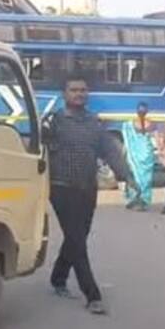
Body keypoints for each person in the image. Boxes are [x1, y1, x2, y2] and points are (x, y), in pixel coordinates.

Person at [42, 75, 137, 315]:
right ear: (64, 94)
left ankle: (58, 277)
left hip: (87, 188)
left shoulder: (95, 123)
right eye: (74, 90)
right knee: (76, 238)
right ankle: (92, 295)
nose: (79, 94)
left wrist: (126, 176)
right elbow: (37, 150)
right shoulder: (53, 122)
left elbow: (110, 151)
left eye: (83, 90)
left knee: (78, 236)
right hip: (61, 188)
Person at [121, 101, 157, 211]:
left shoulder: (129, 125)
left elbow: (127, 143)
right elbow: (155, 139)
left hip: (134, 156)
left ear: (137, 112)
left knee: (134, 175)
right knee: (146, 179)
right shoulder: (151, 124)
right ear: (147, 112)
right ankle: (143, 200)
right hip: (147, 155)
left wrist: (124, 153)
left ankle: (133, 199)